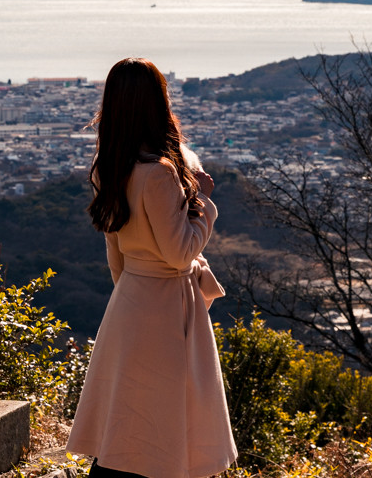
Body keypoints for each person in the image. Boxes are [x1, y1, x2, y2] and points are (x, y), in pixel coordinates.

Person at [67, 58, 238, 478]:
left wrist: (131, 293)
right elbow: (180, 254)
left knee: (127, 424)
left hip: (130, 302)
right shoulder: (160, 173)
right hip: (168, 306)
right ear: (157, 103)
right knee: (171, 422)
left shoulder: (112, 167)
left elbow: (116, 254)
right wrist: (205, 206)